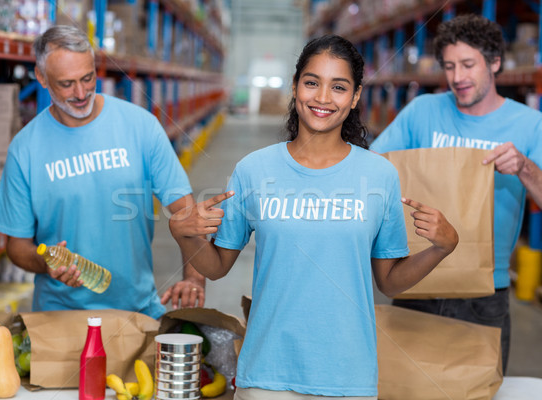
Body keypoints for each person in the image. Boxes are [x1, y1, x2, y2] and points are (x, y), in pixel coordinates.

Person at [169, 35, 458, 399]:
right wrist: (182, 233)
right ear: (295, 87)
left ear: (354, 98)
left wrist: (441, 248)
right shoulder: (254, 170)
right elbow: (217, 266)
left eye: (338, 87)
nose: (322, 98)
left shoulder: (379, 175)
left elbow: (389, 282)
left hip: (347, 375)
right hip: (267, 374)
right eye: (311, 82)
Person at [370, 14, 542, 374]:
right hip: (417, 276)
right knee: (408, 387)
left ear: (495, 63)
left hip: (484, 291)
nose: (457, 78)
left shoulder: (532, 125)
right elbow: (374, 168)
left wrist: (525, 167)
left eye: (468, 64)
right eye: (449, 66)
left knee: (479, 388)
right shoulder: (423, 110)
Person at [0, 25, 206, 319]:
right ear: (41, 78)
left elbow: (185, 210)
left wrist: (194, 277)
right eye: (66, 84)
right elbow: (17, 246)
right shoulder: (25, 149)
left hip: (136, 310)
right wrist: (46, 264)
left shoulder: (140, 126)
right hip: (60, 317)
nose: (80, 93)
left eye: (88, 78)